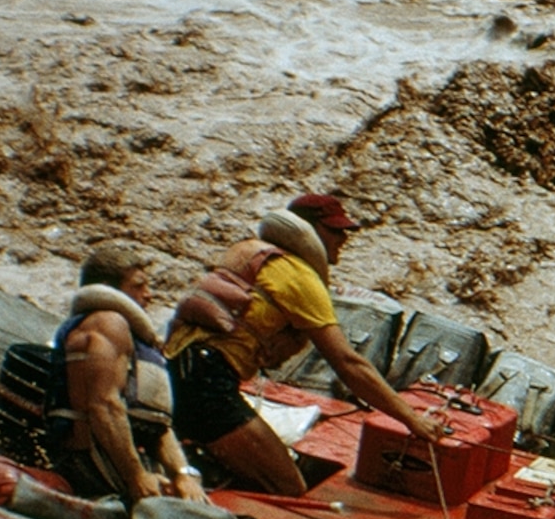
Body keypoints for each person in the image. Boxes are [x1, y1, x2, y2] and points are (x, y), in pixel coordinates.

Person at [162, 193, 447, 494]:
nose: (344, 239)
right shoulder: (301, 278)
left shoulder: (250, 254)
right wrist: (412, 420)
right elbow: (349, 365)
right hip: (206, 386)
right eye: (336, 230)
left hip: (175, 368)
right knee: (288, 486)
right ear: (309, 230)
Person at [53, 241, 203, 505]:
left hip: (126, 455)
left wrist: (182, 473)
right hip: (89, 459)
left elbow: (156, 423)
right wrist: (136, 476)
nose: (149, 294)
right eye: (138, 285)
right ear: (110, 289)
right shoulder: (106, 323)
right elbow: (104, 406)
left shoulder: (134, 337)